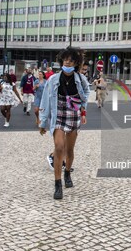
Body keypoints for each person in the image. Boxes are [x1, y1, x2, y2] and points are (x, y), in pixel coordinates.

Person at [39, 47, 90, 200]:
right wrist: (43, 121)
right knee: (59, 147)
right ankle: (57, 184)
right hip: (59, 114)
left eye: (71, 60)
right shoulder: (53, 79)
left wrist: (83, 111)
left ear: (76, 63)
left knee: (69, 149)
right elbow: (46, 100)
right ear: (62, 61)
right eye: (65, 59)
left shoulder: (81, 79)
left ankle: (67, 173)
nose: (68, 61)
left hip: (73, 113)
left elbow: (86, 94)